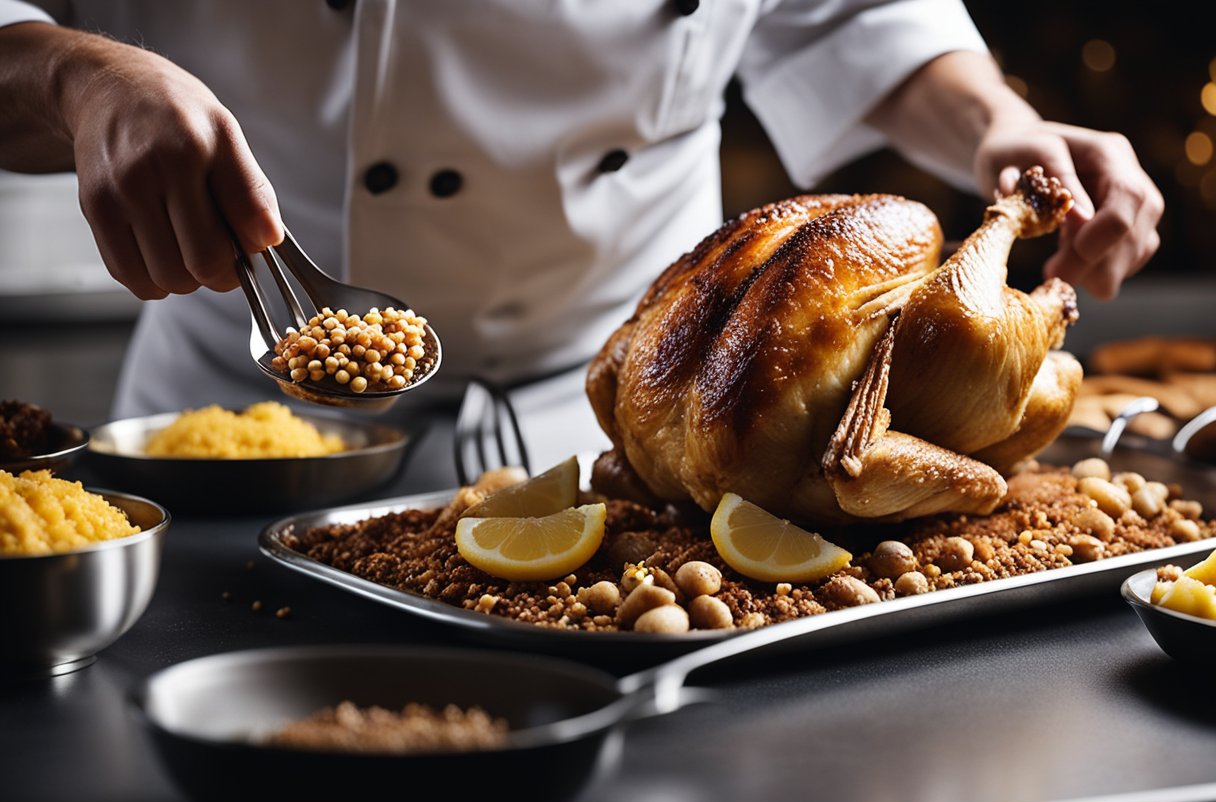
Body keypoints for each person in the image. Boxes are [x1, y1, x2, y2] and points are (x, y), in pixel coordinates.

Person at [0, 1, 1163, 479]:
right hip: (236, 425)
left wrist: (1002, 128)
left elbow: (852, 14)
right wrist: (73, 72)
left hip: (636, 424)